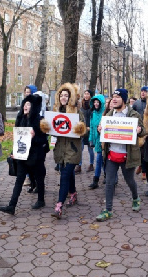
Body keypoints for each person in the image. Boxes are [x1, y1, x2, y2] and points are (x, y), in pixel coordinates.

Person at [95, 88, 146, 222]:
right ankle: (108, 210)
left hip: (126, 156)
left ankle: (135, 198)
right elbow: (103, 131)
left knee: (130, 181)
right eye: (113, 97)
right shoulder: (108, 115)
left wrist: (139, 130)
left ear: (124, 99)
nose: (114, 99)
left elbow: (143, 131)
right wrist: (99, 129)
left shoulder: (133, 115)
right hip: (112, 155)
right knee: (109, 183)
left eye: (117, 96)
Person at [40, 83, 86, 219]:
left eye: (66, 95)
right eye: (62, 95)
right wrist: (46, 126)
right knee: (67, 172)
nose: (64, 97)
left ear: (70, 97)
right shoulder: (55, 111)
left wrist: (80, 128)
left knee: (64, 175)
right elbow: (52, 130)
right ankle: (73, 193)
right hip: (60, 148)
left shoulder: (77, 111)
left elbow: (84, 131)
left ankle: (59, 205)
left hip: (72, 148)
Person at [0, 94, 50, 215]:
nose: (25, 106)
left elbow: (44, 140)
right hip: (22, 155)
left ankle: (41, 200)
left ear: (34, 107)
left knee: (39, 178)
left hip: (36, 155)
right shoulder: (20, 118)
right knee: (19, 180)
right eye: (25, 104)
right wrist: (13, 152)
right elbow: (18, 138)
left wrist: (33, 137)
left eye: (28, 104)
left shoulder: (40, 120)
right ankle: (12, 206)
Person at [88, 94, 105, 189]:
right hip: (96, 140)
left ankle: (96, 180)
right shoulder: (93, 113)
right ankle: (107, 176)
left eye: (98, 102)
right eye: (94, 102)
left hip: (103, 140)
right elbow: (91, 127)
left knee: (99, 160)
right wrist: (91, 139)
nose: (96, 104)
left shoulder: (105, 113)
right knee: (100, 161)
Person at [76, 89, 95, 173]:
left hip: (90, 130)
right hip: (82, 130)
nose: (86, 95)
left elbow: (93, 118)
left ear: (90, 95)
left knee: (91, 149)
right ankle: (79, 165)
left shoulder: (93, 106)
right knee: (81, 148)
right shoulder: (80, 106)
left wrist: (91, 127)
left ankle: (91, 164)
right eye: (85, 94)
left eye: (88, 94)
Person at [133, 86, 148, 180]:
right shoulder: (136, 103)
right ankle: (140, 165)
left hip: (147, 130)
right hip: (138, 130)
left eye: (145, 91)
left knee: (145, 152)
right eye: (142, 91)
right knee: (139, 151)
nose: (143, 93)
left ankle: (144, 171)